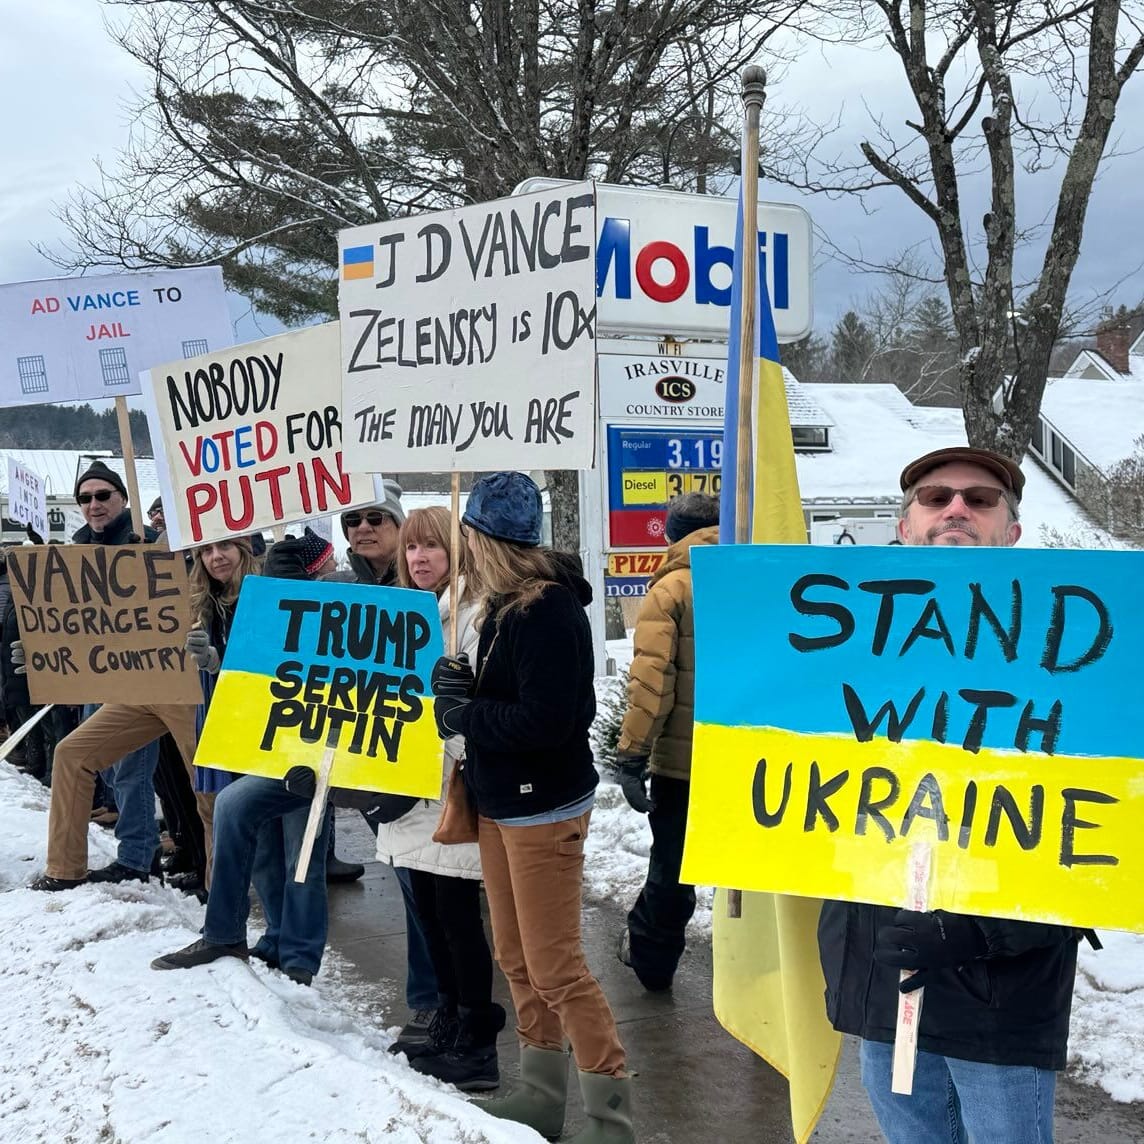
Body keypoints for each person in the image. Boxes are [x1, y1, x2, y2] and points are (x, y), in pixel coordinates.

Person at [817, 445, 1082, 1144]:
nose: (956, 509)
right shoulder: (840, 646)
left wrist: (984, 932)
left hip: (999, 994)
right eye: (935, 499)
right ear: (905, 526)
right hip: (884, 977)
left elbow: (1098, 833)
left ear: (1011, 532)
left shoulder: (1069, 649)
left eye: (980, 499)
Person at [430, 471, 634, 1143]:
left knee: (556, 967)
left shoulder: (545, 609)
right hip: (499, 801)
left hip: (543, 806)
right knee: (515, 958)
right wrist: (459, 689)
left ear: (484, 539)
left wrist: (469, 710)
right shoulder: (498, 604)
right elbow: (500, 703)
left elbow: (549, 720)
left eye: (467, 536)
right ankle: (540, 1093)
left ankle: (610, 1116)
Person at [27, 462, 200, 891]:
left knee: (193, 784)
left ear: (122, 497)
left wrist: (158, 553)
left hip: (169, 679)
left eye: (103, 495)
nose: (94, 505)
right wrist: (46, 656)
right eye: (85, 498)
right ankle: (67, 868)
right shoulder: (78, 549)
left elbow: (199, 583)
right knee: (81, 758)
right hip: (112, 681)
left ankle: (176, 875)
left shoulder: (150, 539)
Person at [378, 507, 502, 1091]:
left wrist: (449, 713)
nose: (419, 558)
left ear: (458, 551)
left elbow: (476, 712)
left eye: (431, 547)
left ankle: (478, 1043)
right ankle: (451, 1020)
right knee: (428, 916)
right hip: (408, 790)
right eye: (411, 549)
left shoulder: (474, 617)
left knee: (458, 920)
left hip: (450, 788)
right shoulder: (403, 615)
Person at [614, 492, 719, 992]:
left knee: (672, 867)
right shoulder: (761, 577)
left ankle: (653, 961)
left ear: (673, 536)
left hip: (682, 764)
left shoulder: (671, 588)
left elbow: (651, 686)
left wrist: (631, 756)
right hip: (753, 759)